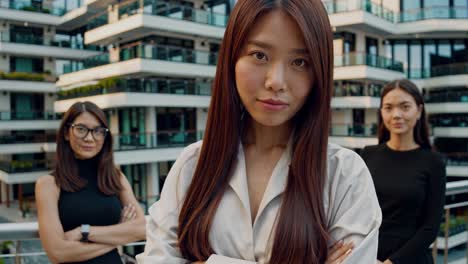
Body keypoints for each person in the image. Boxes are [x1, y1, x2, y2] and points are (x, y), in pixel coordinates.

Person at [137, 0, 381, 263]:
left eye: (299, 62)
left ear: (318, 73)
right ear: (232, 58)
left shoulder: (345, 175)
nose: (276, 81)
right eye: (260, 55)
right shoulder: (193, 165)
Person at [36, 101, 146, 263]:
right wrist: (119, 236)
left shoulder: (116, 177)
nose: (89, 138)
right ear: (67, 133)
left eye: (98, 131)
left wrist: (84, 232)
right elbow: (58, 252)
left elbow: (142, 228)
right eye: (81, 129)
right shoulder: (48, 184)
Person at [360, 79, 446, 264]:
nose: (396, 114)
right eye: (388, 107)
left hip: (411, 259)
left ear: (419, 111)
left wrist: (391, 263)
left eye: (405, 107)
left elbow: (430, 228)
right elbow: (358, 213)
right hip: (369, 256)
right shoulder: (368, 155)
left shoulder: (434, 162)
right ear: (381, 112)